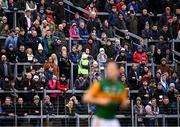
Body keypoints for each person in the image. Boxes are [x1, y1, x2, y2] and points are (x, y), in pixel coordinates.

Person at [83, 61, 129, 127]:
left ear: (117, 71)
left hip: (112, 119)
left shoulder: (120, 86)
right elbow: (86, 98)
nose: (111, 71)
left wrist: (125, 102)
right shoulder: (101, 84)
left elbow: (123, 103)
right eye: (109, 69)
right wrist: (100, 101)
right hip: (100, 119)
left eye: (113, 69)